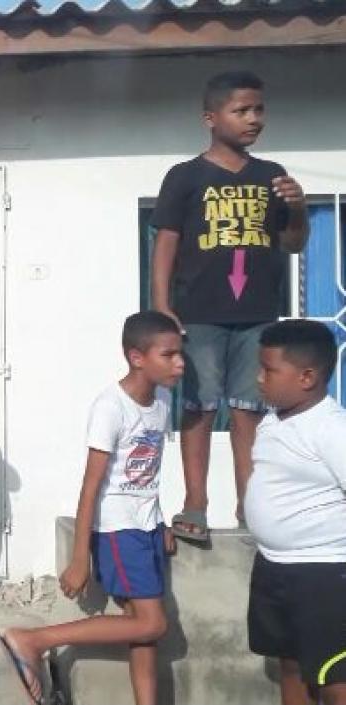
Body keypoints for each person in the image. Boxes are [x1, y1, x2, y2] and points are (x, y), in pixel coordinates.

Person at [150, 70, 309, 541]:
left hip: (258, 315)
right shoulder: (185, 176)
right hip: (197, 315)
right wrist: (163, 310)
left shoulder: (272, 175)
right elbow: (166, 244)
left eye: (259, 109)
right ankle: (194, 505)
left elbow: (293, 244)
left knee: (249, 412)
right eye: (241, 111)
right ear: (210, 117)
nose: (253, 119)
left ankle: (249, 506)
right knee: (198, 407)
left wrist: (298, 208)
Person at [0, 311, 184, 705]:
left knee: (141, 631)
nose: (180, 363)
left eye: (179, 353)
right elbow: (91, 485)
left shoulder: (163, 401)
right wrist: (81, 556)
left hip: (147, 526)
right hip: (119, 529)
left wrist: (161, 520)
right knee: (153, 623)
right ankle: (34, 640)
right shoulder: (110, 407)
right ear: (137, 357)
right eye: (169, 355)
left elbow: (148, 473)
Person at [247, 319, 346, 705]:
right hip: (274, 567)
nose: (258, 379)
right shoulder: (272, 420)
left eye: (269, 370)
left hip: (322, 573)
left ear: (307, 377)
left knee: (335, 676)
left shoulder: (332, 429)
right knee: (290, 665)